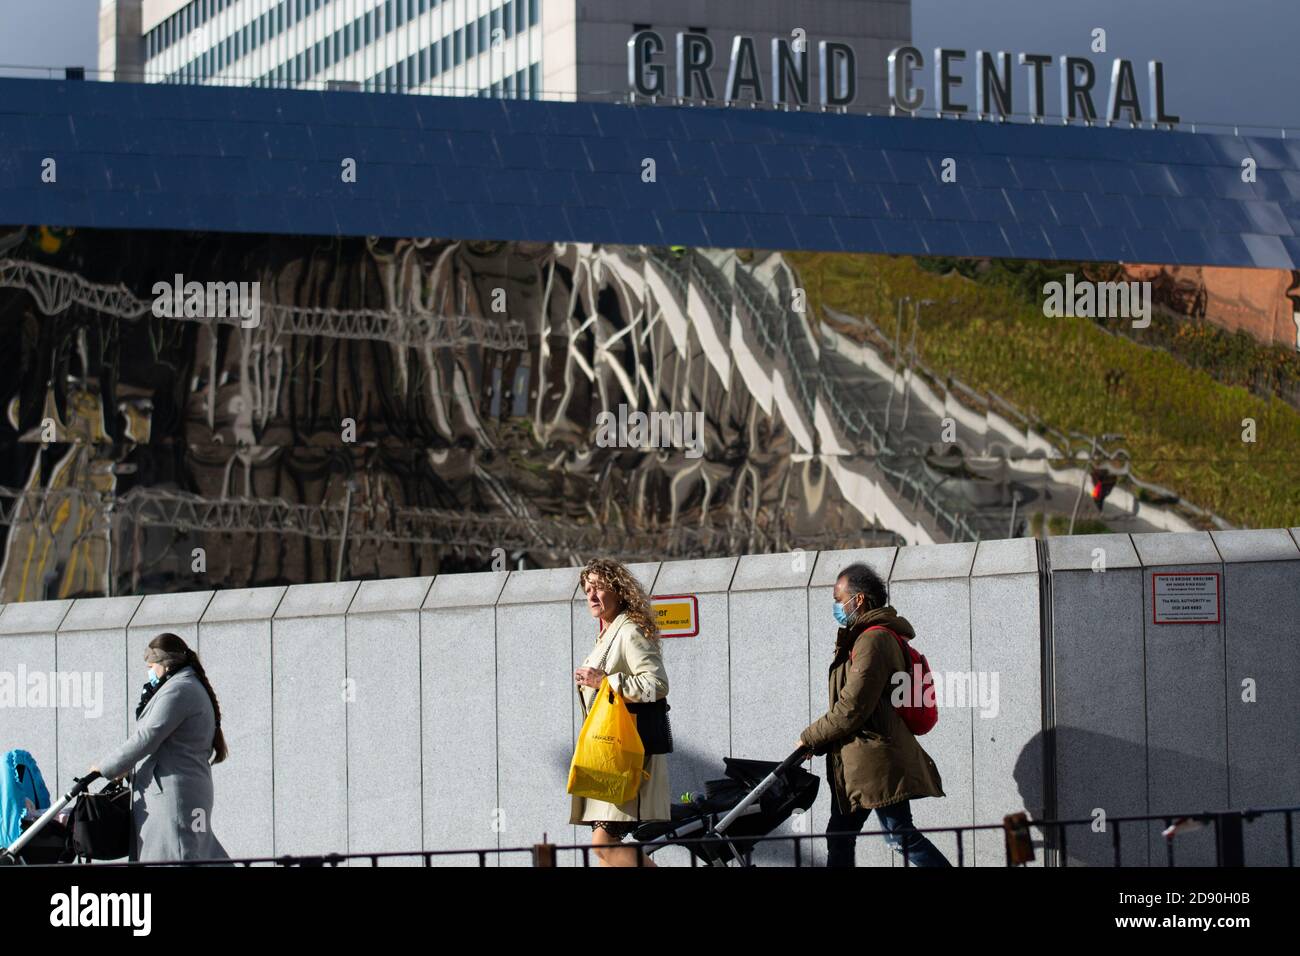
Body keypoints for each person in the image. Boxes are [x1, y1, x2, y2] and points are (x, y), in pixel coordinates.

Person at [798, 563, 951, 867]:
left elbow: (853, 706)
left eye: (838, 598)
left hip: (875, 760)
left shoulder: (873, 640)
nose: (836, 606)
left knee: (898, 835)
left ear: (859, 600)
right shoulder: (867, 637)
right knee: (841, 836)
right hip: (860, 759)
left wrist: (809, 737)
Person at [90, 633, 230, 862]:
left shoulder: (179, 689)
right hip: (189, 791)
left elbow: (148, 736)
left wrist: (105, 768)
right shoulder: (189, 685)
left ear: (165, 665)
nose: (149, 672)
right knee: (194, 852)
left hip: (173, 795)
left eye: (151, 666)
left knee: (176, 855)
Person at [570, 558, 670, 867]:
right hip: (609, 755)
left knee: (604, 844)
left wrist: (604, 681)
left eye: (599, 587)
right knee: (607, 853)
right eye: (587, 589)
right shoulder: (608, 632)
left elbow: (657, 684)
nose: (591, 596)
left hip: (627, 755)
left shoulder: (629, 631)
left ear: (619, 591)